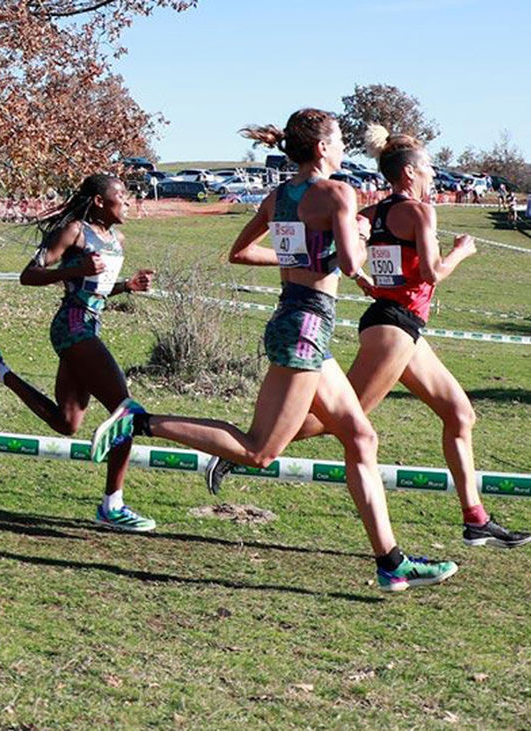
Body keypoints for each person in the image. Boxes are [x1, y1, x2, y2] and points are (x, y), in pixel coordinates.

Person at [91, 108, 458, 591]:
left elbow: (241, 252)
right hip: (306, 325)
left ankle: (391, 563)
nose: (345, 148)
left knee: (361, 438)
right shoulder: (339, 193)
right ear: (323, 147)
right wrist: (361, 238)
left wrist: (303, 256)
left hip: (298, 320)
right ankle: (138, 421)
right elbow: (350, 263)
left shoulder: (279, 196)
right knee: (260, 451)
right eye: (340, 140)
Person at [210, 125, 530, 548]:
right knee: (347, 423)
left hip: (400, 324)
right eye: (430, 169)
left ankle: (475, 519)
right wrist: (462, 251)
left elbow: (370, 263)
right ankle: (239, 452)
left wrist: (365, 276)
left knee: (460, 414)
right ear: (412, 173)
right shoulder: (418, 212)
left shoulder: (373, 214)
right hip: (393, 330)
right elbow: (430, 273)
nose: (434, 176)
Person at [0, 173, 157, 531]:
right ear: (98, 201)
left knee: (67, 422)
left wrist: (127, 286)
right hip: (72, 326)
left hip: (90, 324)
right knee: (126, 410)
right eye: (120, 195)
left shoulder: (116, 237)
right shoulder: (74, 231)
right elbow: (28, 275)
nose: (127, 200)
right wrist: (74, 268)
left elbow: (96, 288)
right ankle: (113, 505)